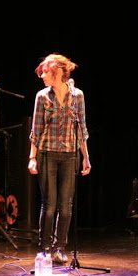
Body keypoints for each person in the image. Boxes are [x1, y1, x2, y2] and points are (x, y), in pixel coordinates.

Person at [27, 53, 92, 264]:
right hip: (47, 154)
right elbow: (36, 130)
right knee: (50, 204)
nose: (42, 76)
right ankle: (44, 247)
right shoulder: (42, 96)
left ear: (57, 73)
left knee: (66, 205)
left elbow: (82, 128)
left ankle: (60, 247)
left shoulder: (78, 96)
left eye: (46, 72)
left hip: (70, 154)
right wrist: (32, 157)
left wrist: (86, 157)